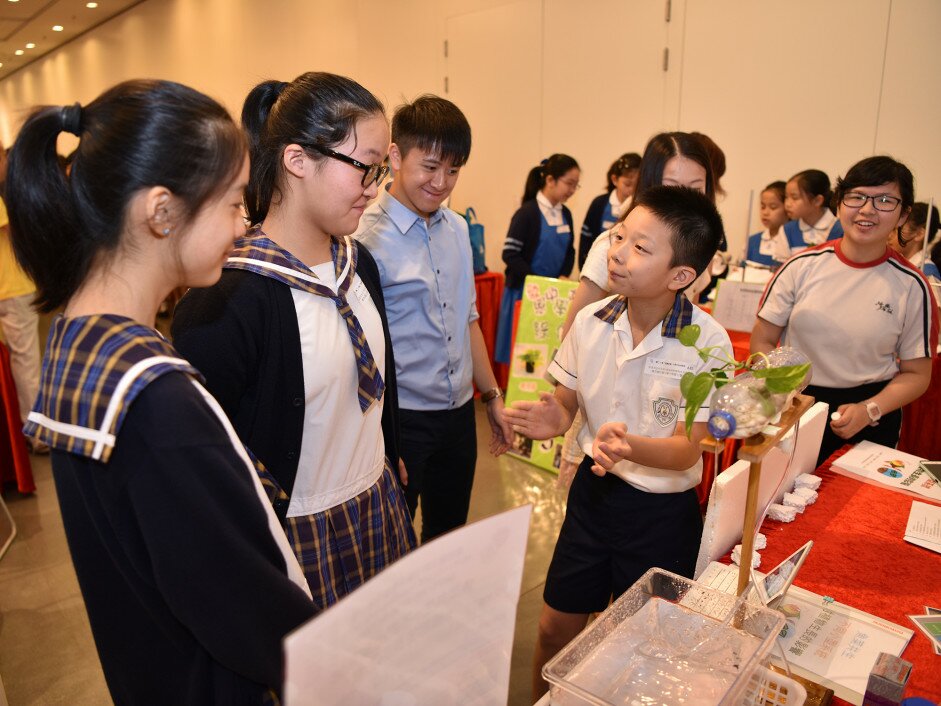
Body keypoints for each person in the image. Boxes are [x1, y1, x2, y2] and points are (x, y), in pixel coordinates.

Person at [6, 79, 315, 704]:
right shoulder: (156, 400)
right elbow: (241, 607)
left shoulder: (80, 336)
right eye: (232, 202)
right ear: (162, 212)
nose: (243, 222)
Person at [172, 72, 415, 608]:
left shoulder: (359, 264)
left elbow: (378, 377)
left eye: (380, 170)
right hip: (298, 534)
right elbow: (212, 473)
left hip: (377, 506)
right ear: (298, 159)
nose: (375, 189)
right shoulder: (226, 301)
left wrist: (392, 456)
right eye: (364, 168)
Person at [503, 186, 731, 699]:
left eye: (641, 248)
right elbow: (566, 404)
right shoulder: (591, 320)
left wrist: (629, 447)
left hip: (661, 513)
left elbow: (688, 450)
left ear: (681, 276)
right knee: (554, 629)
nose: (618, 252)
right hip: (594, 496)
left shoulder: (708, 342)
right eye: (620, 236)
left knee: (643, 649)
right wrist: (552, 418)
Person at [354, 95, 511, 542]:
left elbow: (468, 320)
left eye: (454, 170)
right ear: (396, 156)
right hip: (403, 421)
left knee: (448, 536)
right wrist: (382, 436)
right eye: (430, 166)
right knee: (394, 541)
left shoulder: (458, 229)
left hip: (459, 418)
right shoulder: (366, 237)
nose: (442, 182)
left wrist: (490, 397)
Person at [753, 156, 938, 468]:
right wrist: (782, 389)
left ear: (904, 213)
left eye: (884, 200)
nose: (867, 210)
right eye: (856, 197)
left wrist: (870, 409)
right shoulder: (800, 267)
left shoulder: (912, 285)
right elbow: (762, 341)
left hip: (869, 414)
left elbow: (918, 374)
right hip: (794, 403)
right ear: (840, 203)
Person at [494, 153, 579, 364]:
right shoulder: (527, 213)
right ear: (550, 180)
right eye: (569, 183)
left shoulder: (565, 213)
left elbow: (570, 251)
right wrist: (536, 281)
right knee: (522, 354)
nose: (571, 190)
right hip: (524, 292)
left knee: (546, 349)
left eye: (576, 185)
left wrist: (563, 275)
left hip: (552, 295)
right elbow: (510, 254)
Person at [0, 147, 46, 453]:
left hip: (10, 287)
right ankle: (37, 433)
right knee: (26, 360)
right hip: (12, 286)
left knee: (19, 360)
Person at [578, 152, 641, 270]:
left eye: (637, 185)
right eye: (627, 184)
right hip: (597, 268)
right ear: (614, 179)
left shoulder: (640, 208)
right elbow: (585, 241)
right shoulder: (599, 204)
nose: (632, 190)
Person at [782, 168, 843, 249]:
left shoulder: (841, 229)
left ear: (817, 201)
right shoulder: (786, 230)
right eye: (786, 197)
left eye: (794, 197)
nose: (787, 204)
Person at [888, 201, 941, 280]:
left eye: (896, 230)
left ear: (919, 234)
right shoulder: (898, 265)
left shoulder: (927, 274)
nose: (889, 236)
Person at [744, 181, 791, 268]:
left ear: (787, 208)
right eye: (763, 207)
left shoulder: (792, 242)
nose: (765, 212)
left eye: (773, 207)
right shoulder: (753, 241)